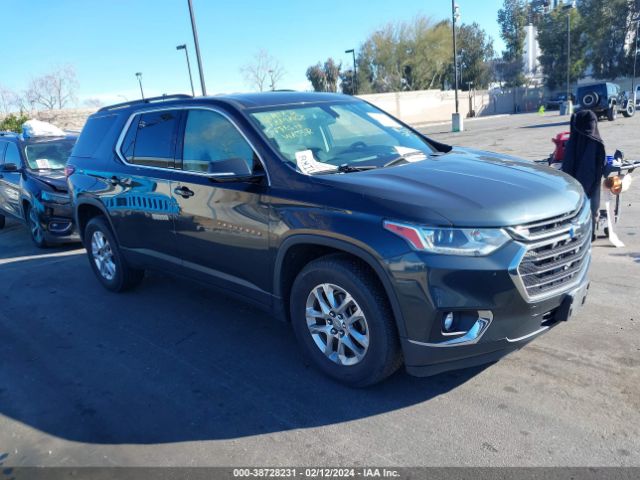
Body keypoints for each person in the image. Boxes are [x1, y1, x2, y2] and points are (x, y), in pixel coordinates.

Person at [561, 110, 606, 238]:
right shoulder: (596, 141)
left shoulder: (574, 141)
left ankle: (583, 234)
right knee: (591, 208)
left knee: (581, 209)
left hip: (578, 184)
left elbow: (569, 164)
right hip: (590, 183)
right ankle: (589, 234)